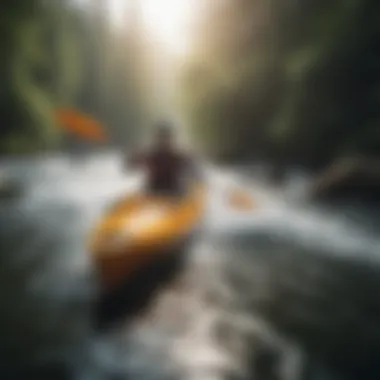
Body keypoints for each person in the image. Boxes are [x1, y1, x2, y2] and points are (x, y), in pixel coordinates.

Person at [126, 122, 202, 195]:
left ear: (170, 139)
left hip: (173, 194)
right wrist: (132, 159)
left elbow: (194, 168)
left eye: (165, 137)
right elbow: (131, 164)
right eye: (161, 137)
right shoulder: (151, 154)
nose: (163, 140)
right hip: (154, 193)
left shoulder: (178, 156)